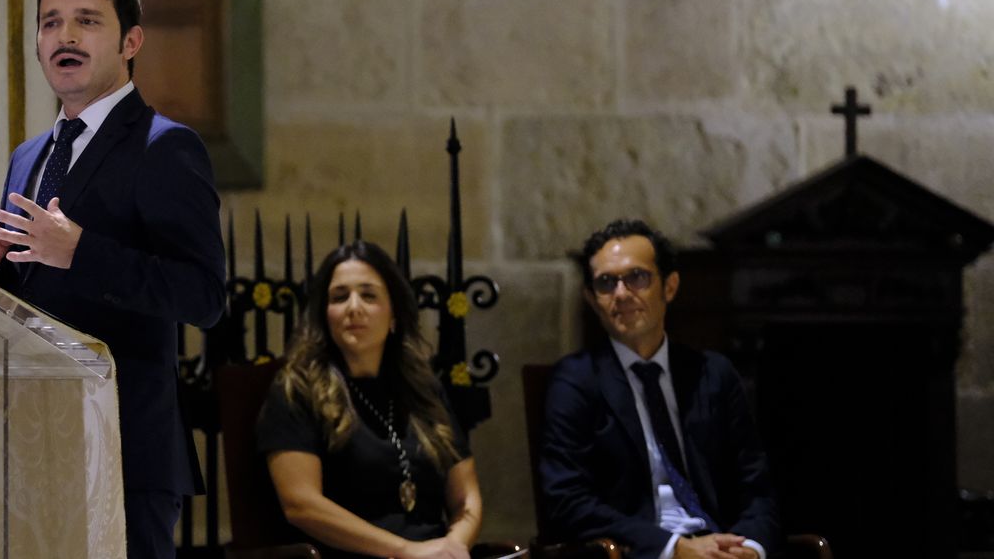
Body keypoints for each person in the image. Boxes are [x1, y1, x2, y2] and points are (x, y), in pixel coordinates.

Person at [0, 0, 226, 559]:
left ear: (130, 41)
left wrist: (81, 252)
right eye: (51, 22)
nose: (66, 36)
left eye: (87, 20)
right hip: (32, 446)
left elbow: (204, 297)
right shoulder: (28, 157)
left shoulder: (166, 148)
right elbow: (37, 293)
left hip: (125, 448)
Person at [538, 219, 779, 559]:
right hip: (641, 551)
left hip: (721, 545)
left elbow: (756, 489)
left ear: (669, 287)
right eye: (606, 283)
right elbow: (567, 500)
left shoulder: (712, 374)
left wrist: (750, 549)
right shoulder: (577, 381)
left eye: (637, 277)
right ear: (592, 300)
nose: (621, 294)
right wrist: (674, 548)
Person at [257, 240, 483, 559]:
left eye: (369, 295)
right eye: (339, 297)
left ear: (394, 316)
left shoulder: (422, 388)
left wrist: (454, 546)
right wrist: (408, 551)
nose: (353, 307)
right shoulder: (297, 388)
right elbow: (301, 504)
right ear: (325, 314)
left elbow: (466, 497)